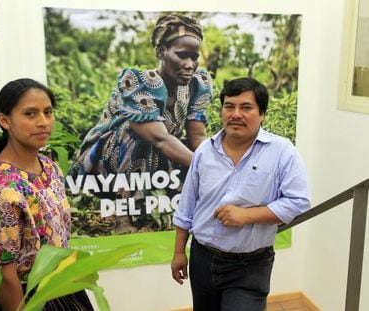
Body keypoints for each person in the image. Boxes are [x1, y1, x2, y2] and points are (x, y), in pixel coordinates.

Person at [171, 77, 311, 311]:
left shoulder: (282, 152)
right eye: (229, 106)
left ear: (262, 113)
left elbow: (298, 201)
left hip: (250, 264)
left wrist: (247, 216)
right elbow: (187, 207)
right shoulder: (205, 151)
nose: (236, 114)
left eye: (246, 107)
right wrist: (178, 252)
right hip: (203, 258)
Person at [69, 14, 212, 234]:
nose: (190, 64)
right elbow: (159, 138)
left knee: (192, 149)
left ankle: (183, 210)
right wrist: (208, 167)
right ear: (161, 51)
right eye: (182, 55)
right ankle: (125, 215)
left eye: (194, 57)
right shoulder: (138, 82)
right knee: (135, 132)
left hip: (156, 161)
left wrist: (217, 165)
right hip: (106, 164)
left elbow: (197, 138)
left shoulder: (197, 84)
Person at [0, 78, 94, 311]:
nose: (43, 122)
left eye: (48, 112)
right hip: (28, 299)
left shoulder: (49, 167)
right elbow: (3, 277)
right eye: (30, 114)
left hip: (62, 287)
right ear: (5, 121)